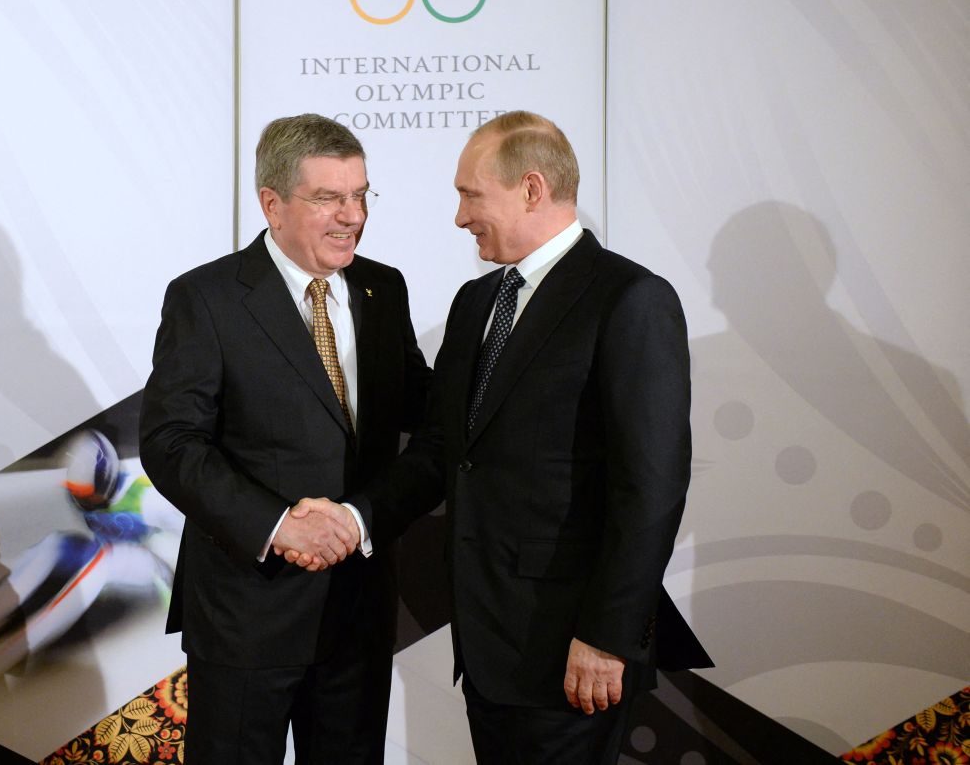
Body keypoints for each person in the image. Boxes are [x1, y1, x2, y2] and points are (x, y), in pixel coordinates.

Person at [289, 111, 710, 764]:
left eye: (471, 195)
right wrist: (353, 517)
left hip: (572, 646)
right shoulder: (476, 303)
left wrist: (607, 636)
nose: (460, 217)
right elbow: (438, 453)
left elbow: (651, 486)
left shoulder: (628, 299)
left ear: (532, 189)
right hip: (489, 644)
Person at [138, 114, 430, 764]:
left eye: (360, 195)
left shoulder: (386, 289)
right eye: (329, 197)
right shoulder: (206, 298)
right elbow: (171, 441)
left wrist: (359, 519)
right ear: (272, 203)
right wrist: (278, 525)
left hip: (358, 614)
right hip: (248, 616)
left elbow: (427, 417)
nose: (351, 215)